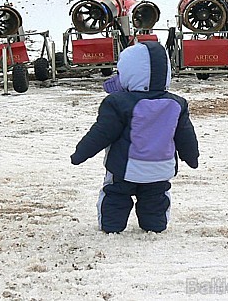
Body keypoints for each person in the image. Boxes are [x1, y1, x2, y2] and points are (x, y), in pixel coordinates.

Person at [70, 41, 199, 233]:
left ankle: (112, 226)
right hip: (160, 169)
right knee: (156, 198)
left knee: (115, 195)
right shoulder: (176, 103)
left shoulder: (118, 102)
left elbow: (102, 133)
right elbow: (185, 135)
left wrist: (81, 154)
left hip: (124, 168)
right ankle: (154, 225)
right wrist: (191, 157)